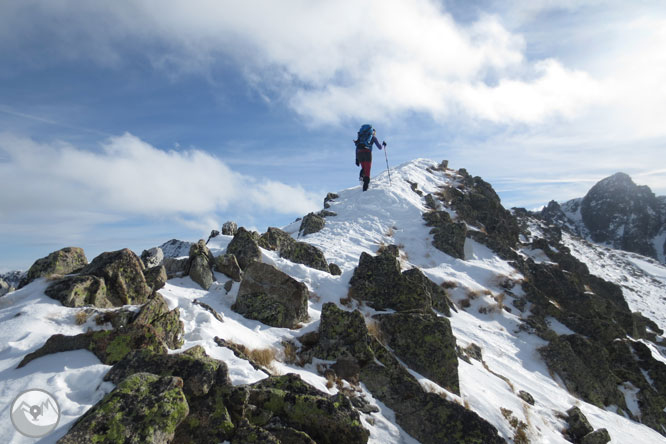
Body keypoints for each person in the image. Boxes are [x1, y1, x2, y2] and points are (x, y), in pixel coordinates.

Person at [355, 126, 384, 191]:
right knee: (367, 170)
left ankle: (362, 177)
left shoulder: (361, 138)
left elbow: (357, 148)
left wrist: (356, 159)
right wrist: (383, 145)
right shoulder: (373, 137)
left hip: (360, 154)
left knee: (364, 168)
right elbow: (380, 147)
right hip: (367, 153)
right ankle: (365, 188)